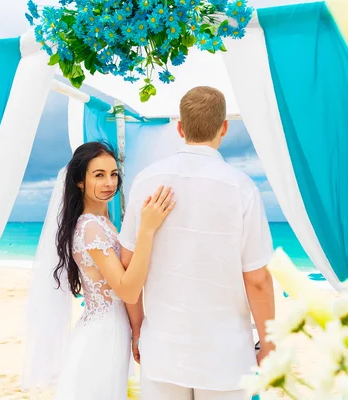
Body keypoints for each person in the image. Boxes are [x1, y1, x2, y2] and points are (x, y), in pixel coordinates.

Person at [119, 86, 276, 400]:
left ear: (180, 127)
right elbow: (257, 280)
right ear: (224, 127)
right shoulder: (241, 188)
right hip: (225, 357)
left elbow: (128, 264)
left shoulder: (146, 181)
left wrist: (137, 330)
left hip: (162, 349)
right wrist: (269, 342)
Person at [53, 141, 175, 399]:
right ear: (79, 181)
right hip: (102, 338)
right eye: (99, 175)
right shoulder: (90, 227)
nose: (109, 182)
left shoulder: (104, 223)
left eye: (113, 174)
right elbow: (127, 289)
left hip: (111, 331)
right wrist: (147, 229)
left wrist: (137, 329)